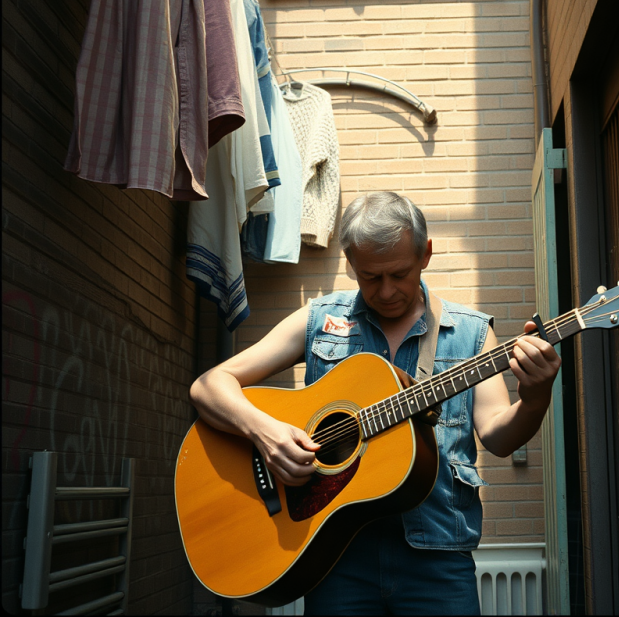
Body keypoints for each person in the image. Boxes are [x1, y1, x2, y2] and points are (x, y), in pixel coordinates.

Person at [189, 191, 562, 615]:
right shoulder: (319, 320)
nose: (385, 291)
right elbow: (209, 386)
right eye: (369, 277)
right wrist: (266, 433)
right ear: (351, 263)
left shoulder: (471, 334)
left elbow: (498, 436)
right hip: (335, 556)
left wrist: (535, 398)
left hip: (437, 558)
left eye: (399, 274)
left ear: (425, 254)